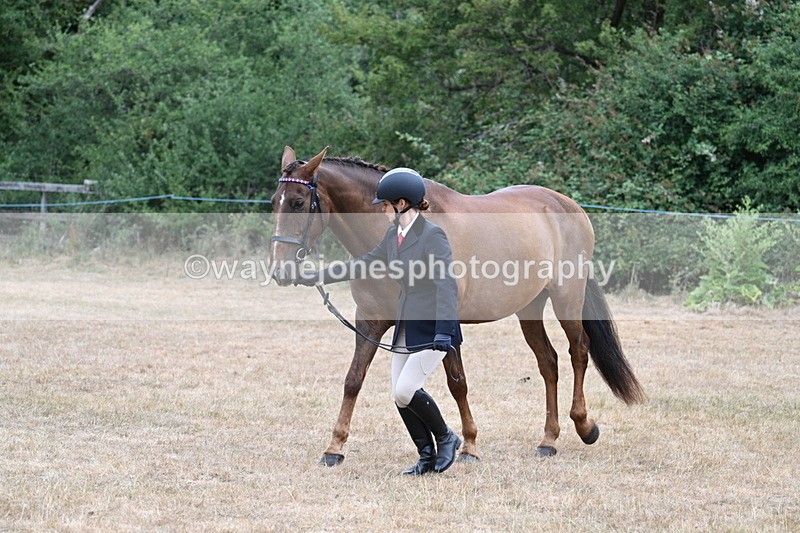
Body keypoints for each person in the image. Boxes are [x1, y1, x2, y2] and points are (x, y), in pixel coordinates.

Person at [294, 167, 463, 475]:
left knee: (406, 390)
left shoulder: (433, 236)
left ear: (402, 204)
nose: (383, 211)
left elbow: (446, 286)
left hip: (434, 326)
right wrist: (317, 277)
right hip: (406, 322)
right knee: (400, 396)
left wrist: (443, 331)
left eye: (385, 205)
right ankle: (425, 456)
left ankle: (446, 437)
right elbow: (366, 263)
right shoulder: (393, 236)